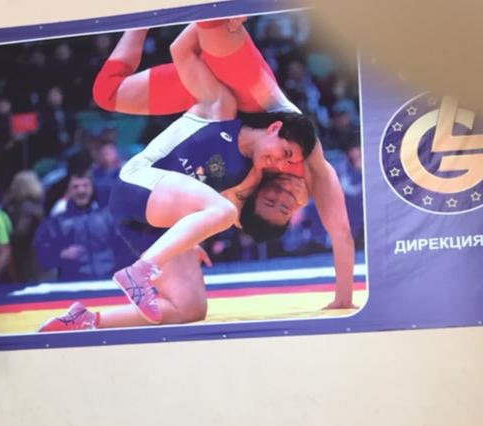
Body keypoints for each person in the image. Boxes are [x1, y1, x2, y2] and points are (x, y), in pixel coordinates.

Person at [45, 25, 326, 332]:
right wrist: (208, 17)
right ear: (274, 129)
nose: (279, 162)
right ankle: (138, 272)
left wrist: (190, 239)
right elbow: (180, 50)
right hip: (136, 186)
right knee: (222, 210)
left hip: (150, 224)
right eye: (284, 153)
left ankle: (86, 320)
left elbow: (220, 208)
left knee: (191, 308)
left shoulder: (246, 181)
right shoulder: (220, 106)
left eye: (287, 162)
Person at [90, 19, 356, 310]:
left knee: (107, 92)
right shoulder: (313, 163)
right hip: (250, 93)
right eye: (287, 206)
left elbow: (203, 201)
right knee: (215, 25)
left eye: (274, 203)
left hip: (211, 95)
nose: (285, 196)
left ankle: (141, 15)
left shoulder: (244, 184)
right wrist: (344, 298)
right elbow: (340, 233)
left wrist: (191, 242)